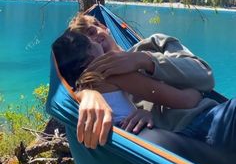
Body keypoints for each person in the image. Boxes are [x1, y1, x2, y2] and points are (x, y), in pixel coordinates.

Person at [66, 13, 236, 154]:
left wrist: (146, 60)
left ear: (104, 27)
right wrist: (89, 95)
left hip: (210, 119)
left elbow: (205, 76)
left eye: (92, 31)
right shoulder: (100, 81)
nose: (94, 40)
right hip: (170, 145)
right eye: (86, 41)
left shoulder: (155, 43)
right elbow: (73, 91)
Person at [52, 28, 202, 143]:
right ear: (91, 57)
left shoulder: (76, 92)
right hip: (144, 138)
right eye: (92, 42)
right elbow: (185, 101)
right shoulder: (112, 74)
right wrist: (198, 93)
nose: (97, 41)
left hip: (119, 145)